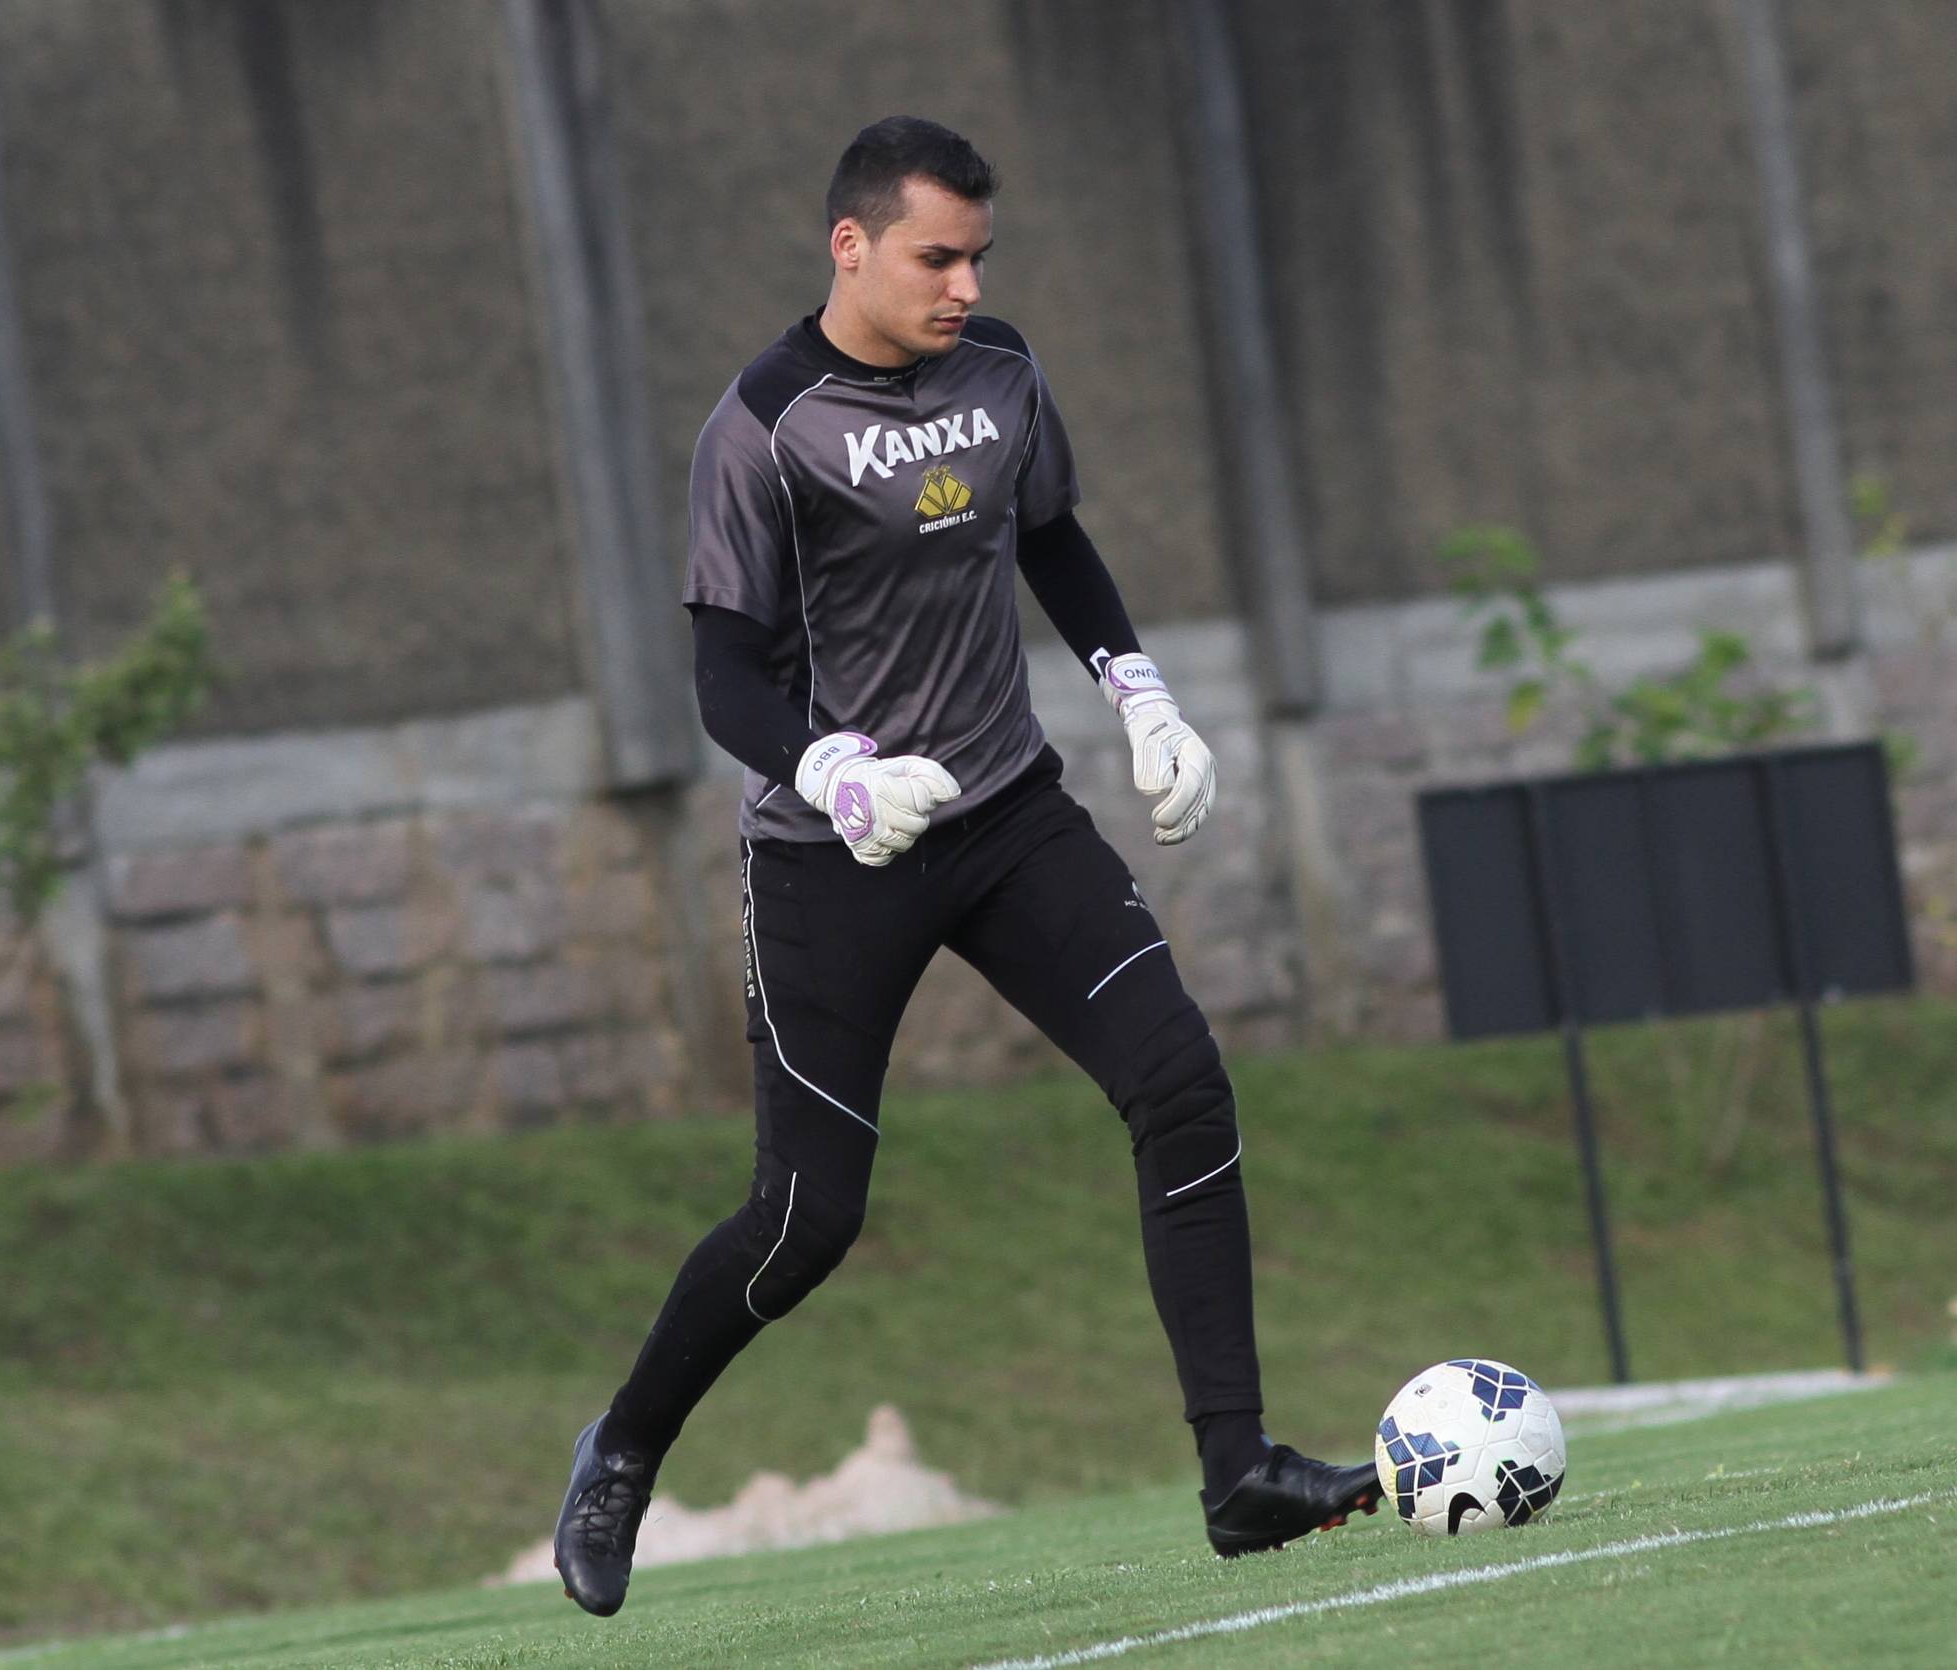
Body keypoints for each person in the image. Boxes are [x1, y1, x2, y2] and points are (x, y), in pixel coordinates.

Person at [552, 115, 1379, 1618]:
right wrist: (832, 768)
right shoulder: (763, 426)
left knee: (1181, 1082)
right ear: (850, 245)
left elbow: (1049, 540)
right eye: (937, 257)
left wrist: (1140, 691)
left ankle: (1240, 1471)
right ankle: (621, 1451)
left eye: (979, 257)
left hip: (1006, 817)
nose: (966, 285)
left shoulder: (1002, 370)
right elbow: (722, 677)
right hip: (834, 854)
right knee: (807, 1221)